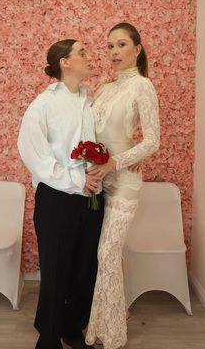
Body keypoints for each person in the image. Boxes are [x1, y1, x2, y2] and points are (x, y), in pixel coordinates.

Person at [17, 39, 104, 349]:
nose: (89, 56)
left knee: (85, 268)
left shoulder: (92, 102)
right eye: (82, 52)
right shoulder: (43, 104)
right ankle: (49, 336)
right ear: (64, 62)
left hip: (93, 198)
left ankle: (72, 328)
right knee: (56, 269)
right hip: (57, 199)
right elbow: (34, 154)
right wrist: (75, 180)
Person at [85, 22, 160, 349]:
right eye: (109, 46)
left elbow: (153, 141)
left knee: (107, 252)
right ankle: (106, 318)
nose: (114, 52)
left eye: (121, 45)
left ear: (137, 49)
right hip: (97, 183)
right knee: (104, 255)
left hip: (124, 183)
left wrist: (116, 161)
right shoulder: (105, 88)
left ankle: (112, 335)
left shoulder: (143, 86)